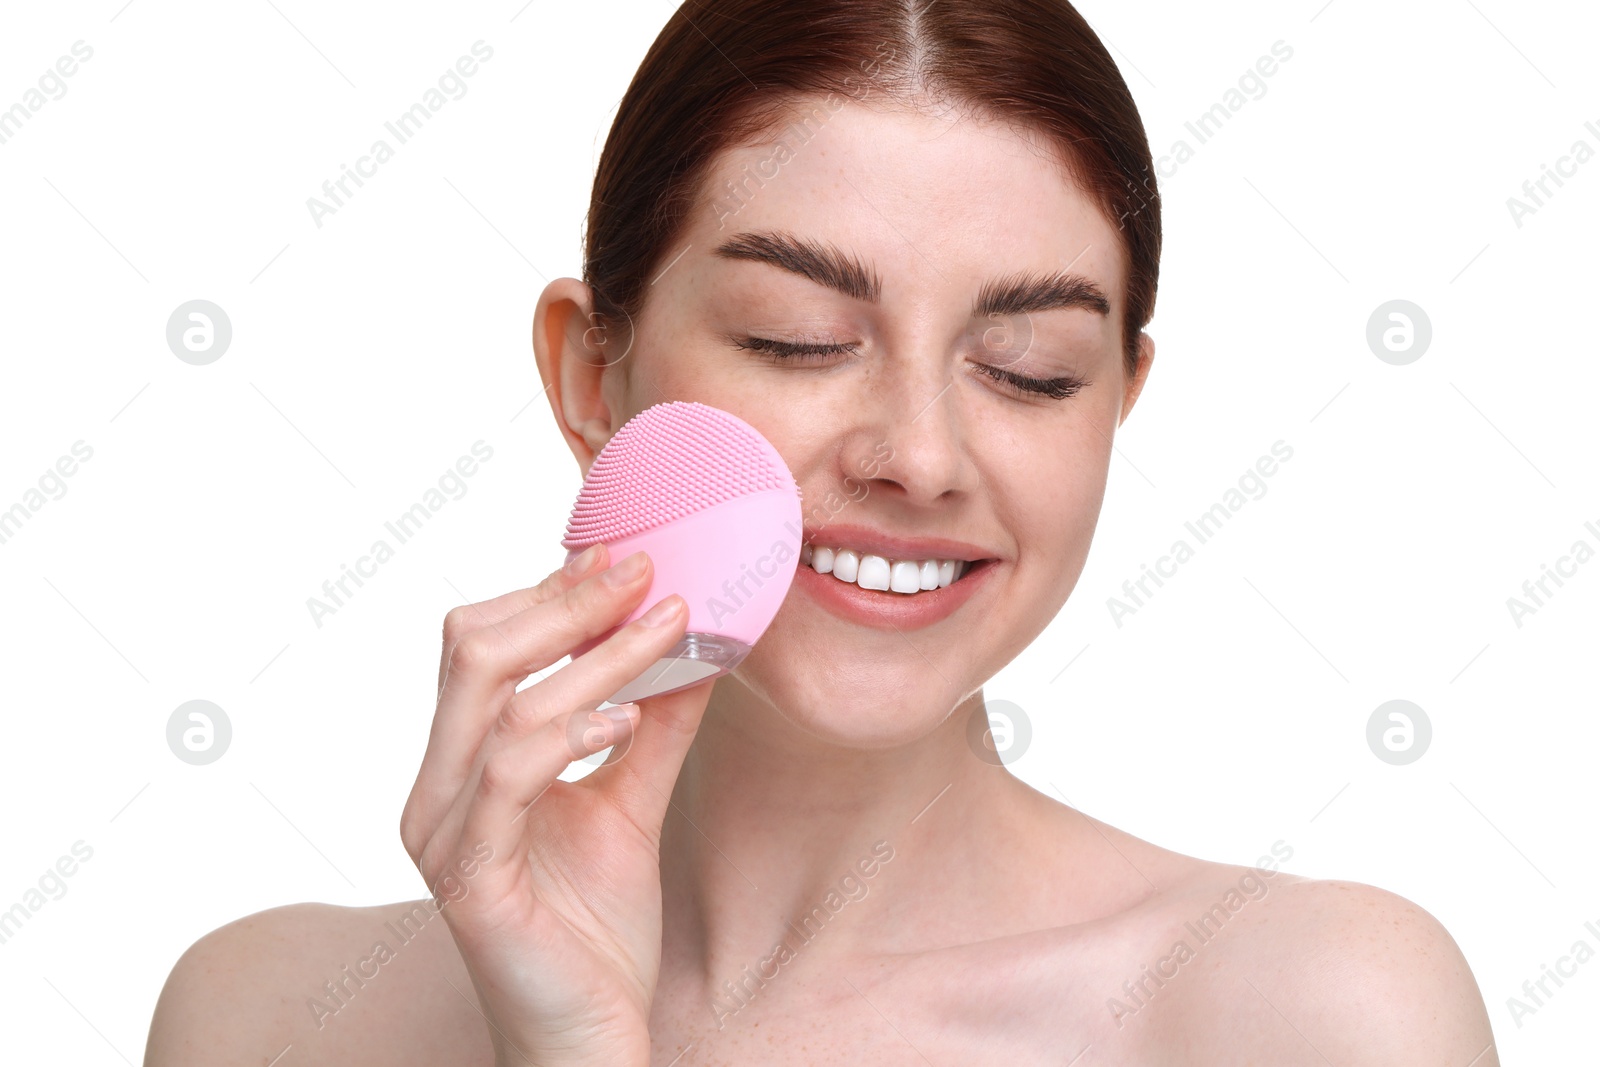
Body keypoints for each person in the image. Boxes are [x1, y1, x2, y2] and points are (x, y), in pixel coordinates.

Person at [145, 0, 1498, 1062]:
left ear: (1115, 407)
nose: (917, 455)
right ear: (588, 376)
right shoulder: (267, 1023)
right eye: (798, 341)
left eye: (1030, 367)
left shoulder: (1321, 1017)